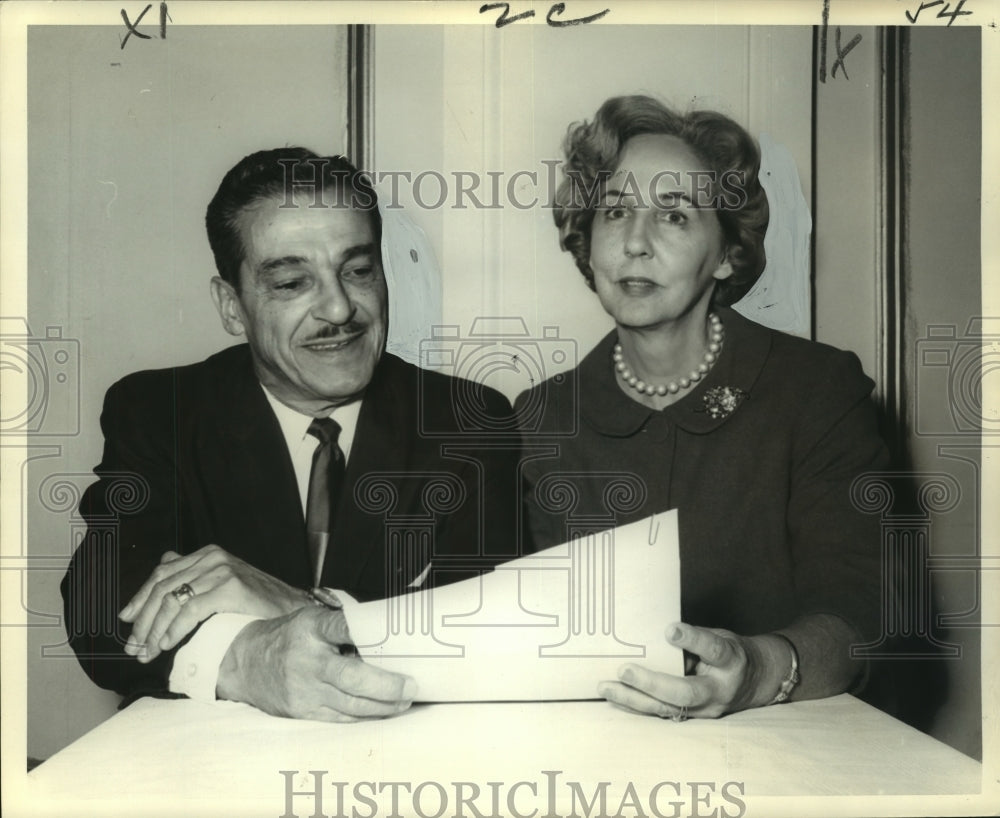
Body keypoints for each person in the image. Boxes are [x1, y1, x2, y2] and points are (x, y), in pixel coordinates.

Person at [61, 148, 521, 722]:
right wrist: (247, 655)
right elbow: (99, 606)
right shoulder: (162, 412)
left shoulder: (468, 421)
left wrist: (293, 608)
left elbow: (492, 639)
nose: (339, 307)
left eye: (357, 270)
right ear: (232, 307)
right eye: (290, 282)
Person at [517, 95, 889, 720]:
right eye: (615, 212)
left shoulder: (819, 391)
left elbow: (864, 621)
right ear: (587, 243)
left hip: (789, 758)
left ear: (727, 253)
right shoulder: (541, 418)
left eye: (675, 217)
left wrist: (758, 670)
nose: (635, 243)